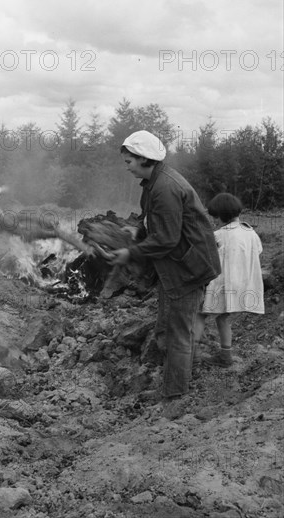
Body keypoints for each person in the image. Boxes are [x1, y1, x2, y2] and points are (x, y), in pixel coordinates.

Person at [105, 130, 221, 410]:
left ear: (145, 159)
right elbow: (151, 220)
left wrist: (130, 253)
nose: (127, 166)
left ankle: (175, 398)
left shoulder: (165, 187)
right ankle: (171, 382)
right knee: (165, 328)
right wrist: (137, 230)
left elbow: (168, 239)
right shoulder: (151, 182)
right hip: (174, 266)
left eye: (129, 161)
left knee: (178, 333)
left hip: (188, 268)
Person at [193, 193, 264, 367]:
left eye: (215, 217)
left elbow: (208, 259)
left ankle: (190, 356)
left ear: (221, 215)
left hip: (220, 284)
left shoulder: (218, 235)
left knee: (200, 314)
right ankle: (226, 356)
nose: (214, 221)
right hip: (241, 285)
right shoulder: (251, 233)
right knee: (223, 318)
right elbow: (259, 252)